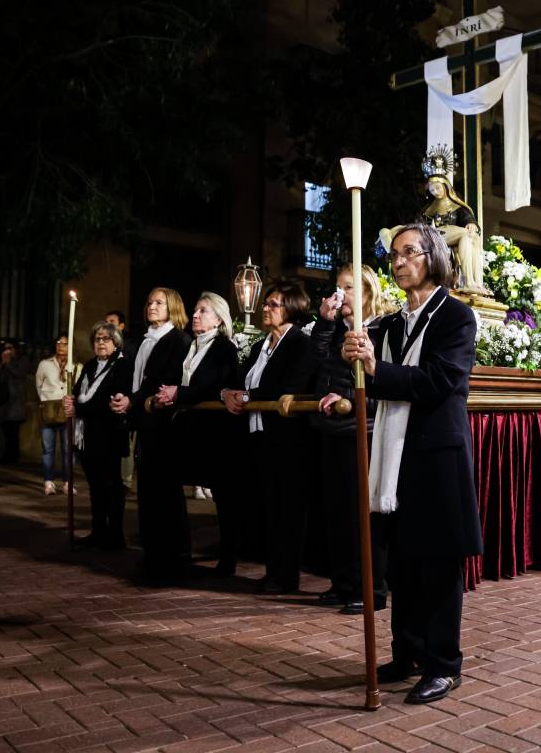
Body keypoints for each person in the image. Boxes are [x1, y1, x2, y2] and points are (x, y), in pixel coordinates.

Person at [342, 223, 481, 705]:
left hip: (436, 454)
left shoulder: (456, 317)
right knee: (401, 561)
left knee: (439, 563)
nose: (399, 263)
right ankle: (408, 652)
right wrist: (354, 357)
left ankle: (445, 664)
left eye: (409, 253)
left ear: (433, 257)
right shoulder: (391, 323)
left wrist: (379, 368)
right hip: (393, 452)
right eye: (394, 256)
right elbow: (370, 378)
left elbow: (441, 380)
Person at [222, 280, 318, 594]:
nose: (266, 308)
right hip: (259, 436)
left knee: (288, 509)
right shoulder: (261, 345)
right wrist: (230, 392)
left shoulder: (300, 344)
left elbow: (290, 384)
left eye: (273, 304)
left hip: (289, 440)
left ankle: (286, 576)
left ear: (292, 308)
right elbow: (241, 381)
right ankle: (272, 571)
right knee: (268, 507)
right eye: (266, 304)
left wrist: (248, 397)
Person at [313, 264, 389, 615]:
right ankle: (343, 582)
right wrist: (325, 323)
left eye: (349, 286)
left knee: (364, 516)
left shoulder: (382, 329)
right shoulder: (335, 329)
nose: (340, 293)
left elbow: (383, 385)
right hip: (332, 431)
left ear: (368, 291)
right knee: (337, 513)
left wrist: (349, 404)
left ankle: (372, 588)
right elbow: (317, 364)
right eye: (337, 286)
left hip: (364, 430)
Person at [151, 292, 239, 575]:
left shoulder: (224, 348)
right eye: (195, 310)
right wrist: (167, 394)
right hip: (188, 430)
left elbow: (220, 385)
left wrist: (181, 393)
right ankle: (176, 549)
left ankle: (228, 558)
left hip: (214, 432)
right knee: (167, 479)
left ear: (218, 319)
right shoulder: (190, 347)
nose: (196, 315)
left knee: (224, 495)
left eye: (203, 311)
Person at [113, 288, 192, 583]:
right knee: (147, 492)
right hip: (145, 423)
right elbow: (132, 375)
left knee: (166, 492)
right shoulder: (142, 341)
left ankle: (175, 557)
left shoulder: (178, 341)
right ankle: (153, 553)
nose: (152, 306)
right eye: (149, 302)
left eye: (159, 302)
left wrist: (134, 400)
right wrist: (125, 398)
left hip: (165, 425)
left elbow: (163, 379)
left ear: (172, 306)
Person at [63, 321, 133, 549]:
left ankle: (115, 535)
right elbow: (78, 393)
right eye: (97, 339)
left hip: (109, 435)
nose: (101, 343)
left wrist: (79, 409)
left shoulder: (122, 366)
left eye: (106, 339)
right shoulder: (90, 365)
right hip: (88, 437)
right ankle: (98, 530)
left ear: (116, 342)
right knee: (95, 486)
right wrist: (71, 399)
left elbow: (108, 401)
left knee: (112, 485)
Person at [379, 146, 485, 293]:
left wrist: (471, 224)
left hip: (451, 237)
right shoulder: (426, 209)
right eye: (432, 189)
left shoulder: (458, 206)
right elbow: (416, 227)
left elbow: (468, 218)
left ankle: (470, 282)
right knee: (389, 231)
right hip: (431, 238)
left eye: (437, 187)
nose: (435, 191)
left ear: (446, 186)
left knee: (470, 237)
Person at [34, 335, 80, 495]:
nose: (61, 346)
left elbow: (79, 388)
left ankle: (67, 481)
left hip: (67, 410)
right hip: (49, 410)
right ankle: (48, 481)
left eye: (65, 343)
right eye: (59, 343)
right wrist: (45, 400)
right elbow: (38, 384)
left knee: (68, 449)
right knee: (48, 448)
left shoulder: (76, 366)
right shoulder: (45, 364)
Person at [105, 309, 140, 491]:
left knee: (127, 445)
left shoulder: (131, 346)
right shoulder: (106, 345)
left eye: (111, 321)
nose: (107, 325)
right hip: (110, 399)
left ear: (121, 326)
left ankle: (125, 481)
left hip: (127, 400)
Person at [0, 342, 26, 464]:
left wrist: (8, 363)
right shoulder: (4, 362)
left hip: (16, 402)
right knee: (6, 430)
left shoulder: (22, 360)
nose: (7, 351)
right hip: (5, 402)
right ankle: (8, 456)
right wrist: (3, 363)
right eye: (5, 348)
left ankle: (12, 457)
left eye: (10, 348)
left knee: (13, 431)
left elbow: (19, 374)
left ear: (16, 349)